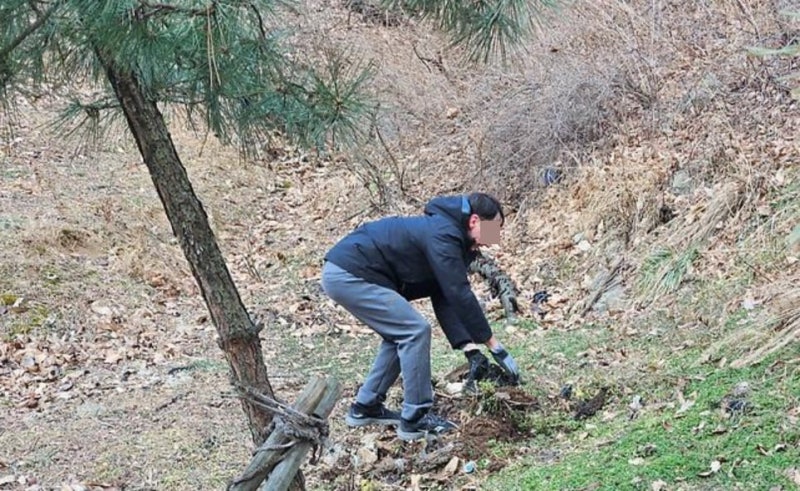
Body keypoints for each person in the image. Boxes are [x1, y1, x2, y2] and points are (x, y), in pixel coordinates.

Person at [320, 192, 521, 441]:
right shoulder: (444, 235)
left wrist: (469, 347)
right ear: (474, 221)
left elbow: (445, 294)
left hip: (350, 272)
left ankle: (366, 407)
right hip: (350, 272)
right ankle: (415, 418)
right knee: (414, 330)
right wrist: (494, 345)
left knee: (400, 334)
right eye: (494, 229)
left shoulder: (451, 237)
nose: (494, 240)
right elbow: (460, 292)